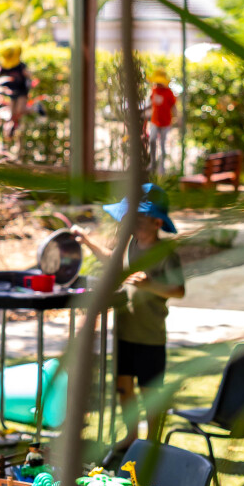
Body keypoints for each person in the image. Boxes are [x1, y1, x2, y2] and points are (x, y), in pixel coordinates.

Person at [72, 183, 185, 446]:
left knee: (150, 392)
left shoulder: (166, 254)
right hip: (124, 332)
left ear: (157, 222)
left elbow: (179, 291)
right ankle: (131, 437)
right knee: (124, 387)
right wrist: (87, 241)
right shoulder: (130, 245)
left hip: (150, 336)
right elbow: (113, 261)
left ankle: (153, 442)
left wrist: (150, 285)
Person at [0, 44, 32, 140]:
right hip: (11, 93)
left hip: (22, 91)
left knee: (20, 110)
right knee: (12, 114)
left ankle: (35, 108)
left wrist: (28, 75)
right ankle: (12, 132)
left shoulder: (20, 66)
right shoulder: (5, 66)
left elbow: (28, 75)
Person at [147, 71, 177, 175]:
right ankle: (152, 163)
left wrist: (177, 118)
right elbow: (151, 103)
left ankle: (162, 167)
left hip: (166, 122)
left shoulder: (168, 92)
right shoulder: (154, 90)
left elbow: (173, 106)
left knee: (163, 144)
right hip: (155, 121)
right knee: (152, 139)